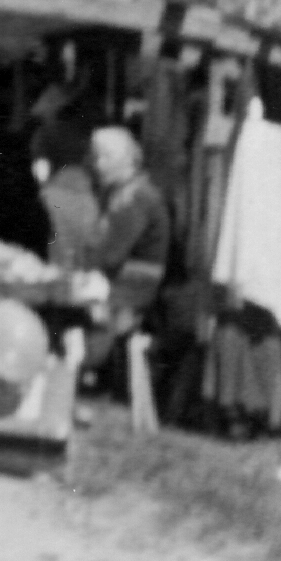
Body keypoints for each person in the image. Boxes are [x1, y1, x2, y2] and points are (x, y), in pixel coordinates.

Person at [83, 123, 173, 388]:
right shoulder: (126, 192)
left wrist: (85, 264)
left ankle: (87, 367)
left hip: (133, 284)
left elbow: (110, 254)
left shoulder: (135, 197)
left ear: (126, 159)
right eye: (97, 156)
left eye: (106, 157)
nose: (99, 165)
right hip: (129, 280)